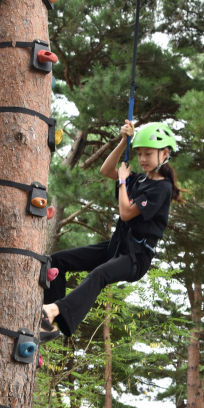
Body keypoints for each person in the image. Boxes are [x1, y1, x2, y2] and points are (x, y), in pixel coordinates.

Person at [42, 120, 180, 336]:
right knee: (56, 261)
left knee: (99, 274)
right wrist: (124, 142)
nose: (142, 159)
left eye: (148, 154)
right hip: (116, 246)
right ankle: (48, 323)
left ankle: (56, 309)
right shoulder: (140, 179)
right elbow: (106, 169)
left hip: (136, 257)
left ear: (164, 154)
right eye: (140, 153)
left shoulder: (162, 188)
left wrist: (124, 182)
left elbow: (126, 213)